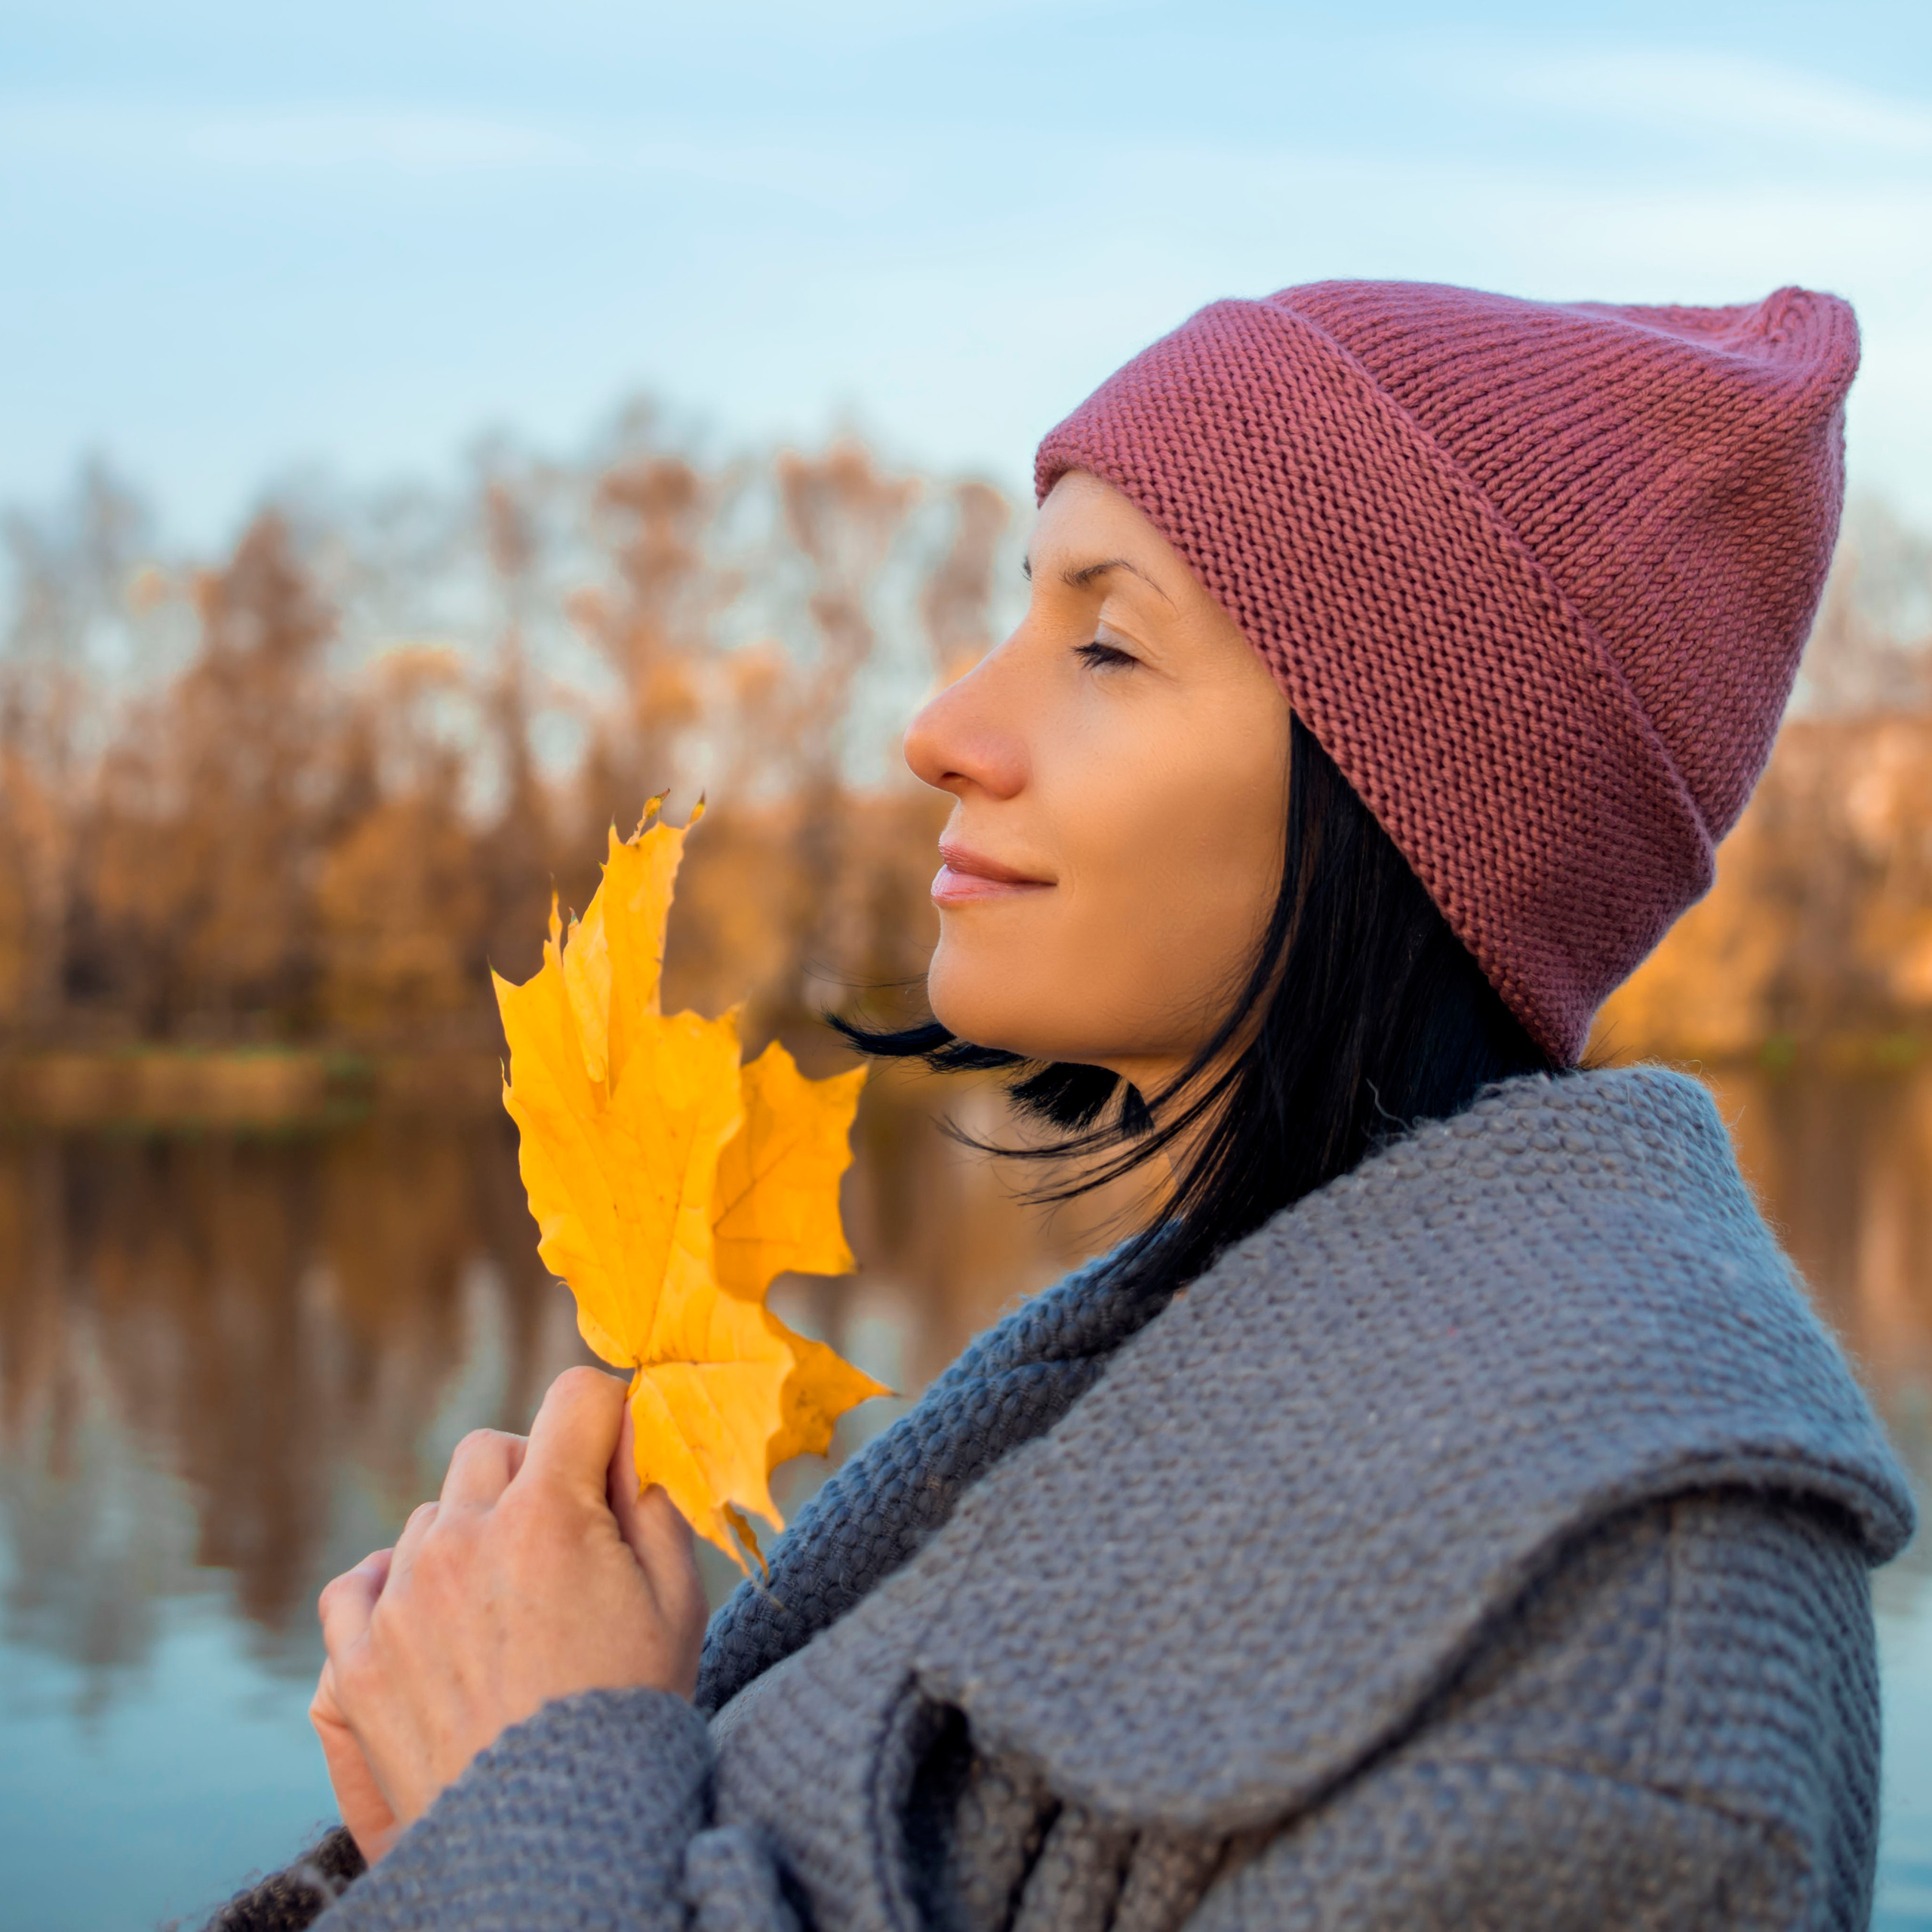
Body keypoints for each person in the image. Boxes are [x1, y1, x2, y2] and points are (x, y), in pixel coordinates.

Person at [211, 280, 1916, 1932]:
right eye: (1020, 613)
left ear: (1411, 803)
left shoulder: (1624, 1693)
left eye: (1105, 642)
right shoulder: (1173, 1361)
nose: (940, 727)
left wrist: (521, 1792)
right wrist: (458, 1809)